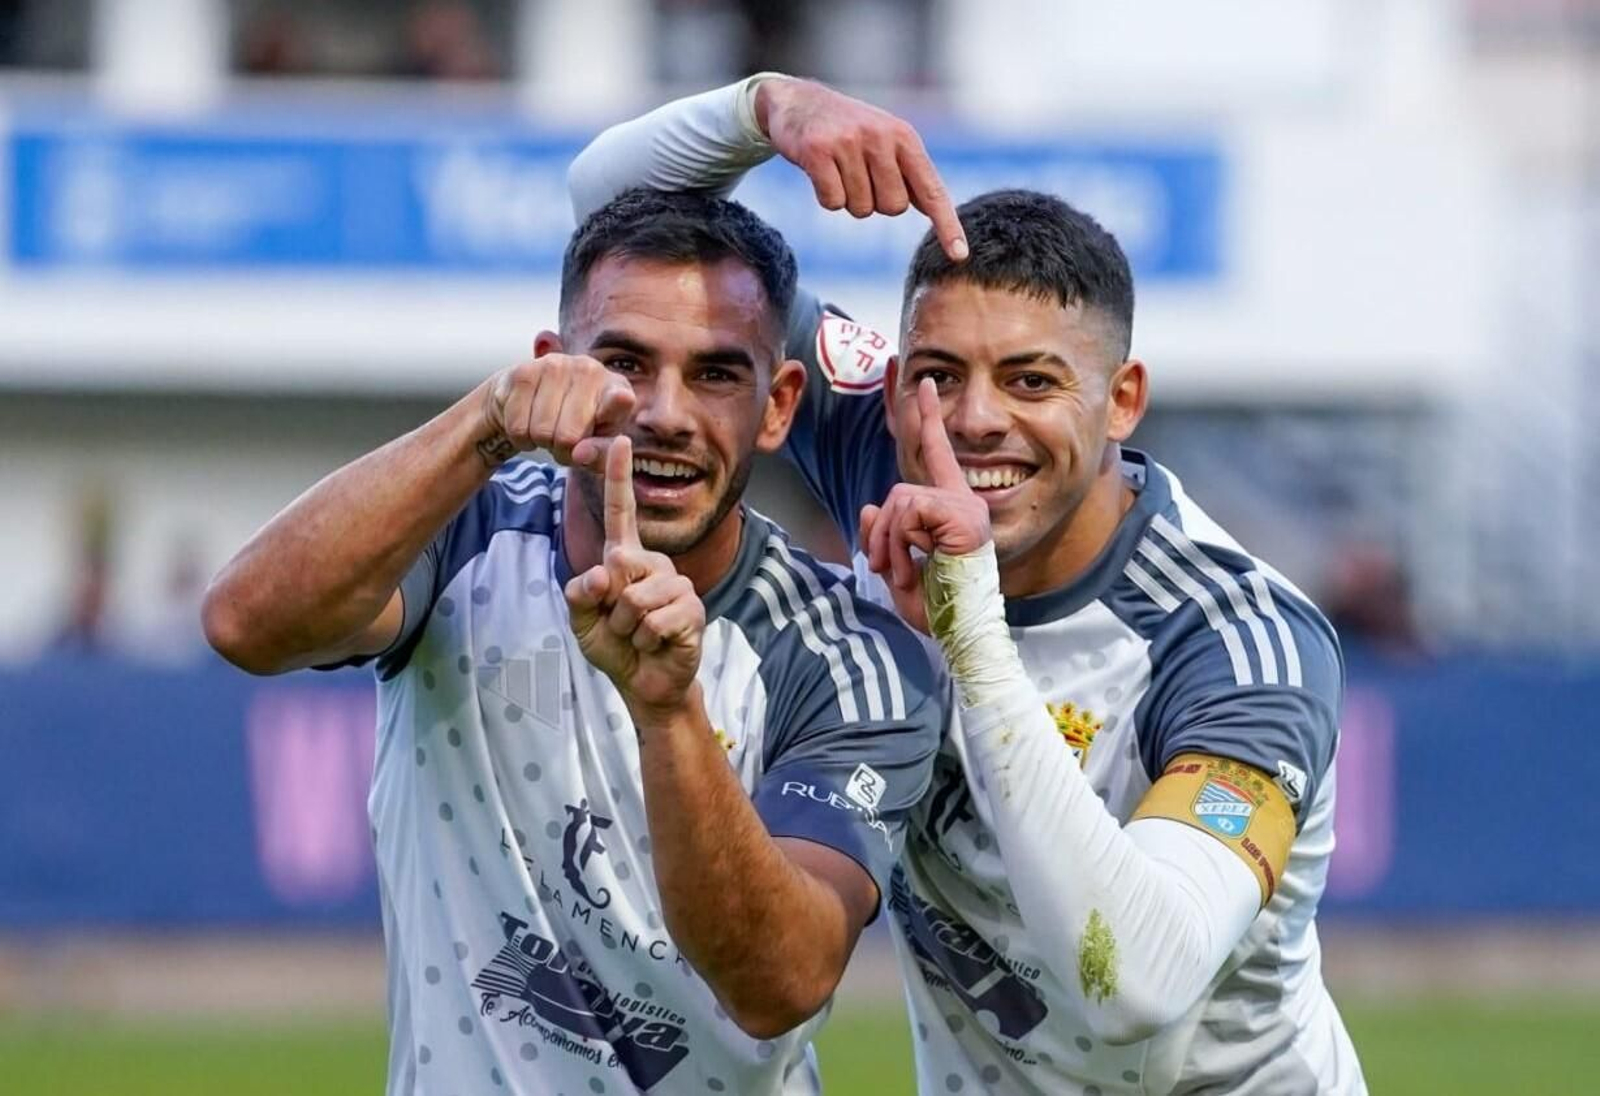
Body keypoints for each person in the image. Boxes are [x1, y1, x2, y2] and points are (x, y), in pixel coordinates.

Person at [570, 77, 1367, 1094]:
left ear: (1121, 399)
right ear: (897, 382)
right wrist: (763, 112)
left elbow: (1133, 983)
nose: (976, 420)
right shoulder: (901, 443)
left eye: (1033, 382)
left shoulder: (1236, 643)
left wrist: (968, 627)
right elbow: (610, 215)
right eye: (939, 374)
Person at [202, 187, 942, 1095]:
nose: (665, 411)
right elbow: (246, 624)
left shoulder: (854, 656)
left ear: (781, 403)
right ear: (554, 366)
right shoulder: (462, 537)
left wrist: (667, 712)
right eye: (625, 362)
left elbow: (778, 983)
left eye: (716, 373)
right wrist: (483, 425)